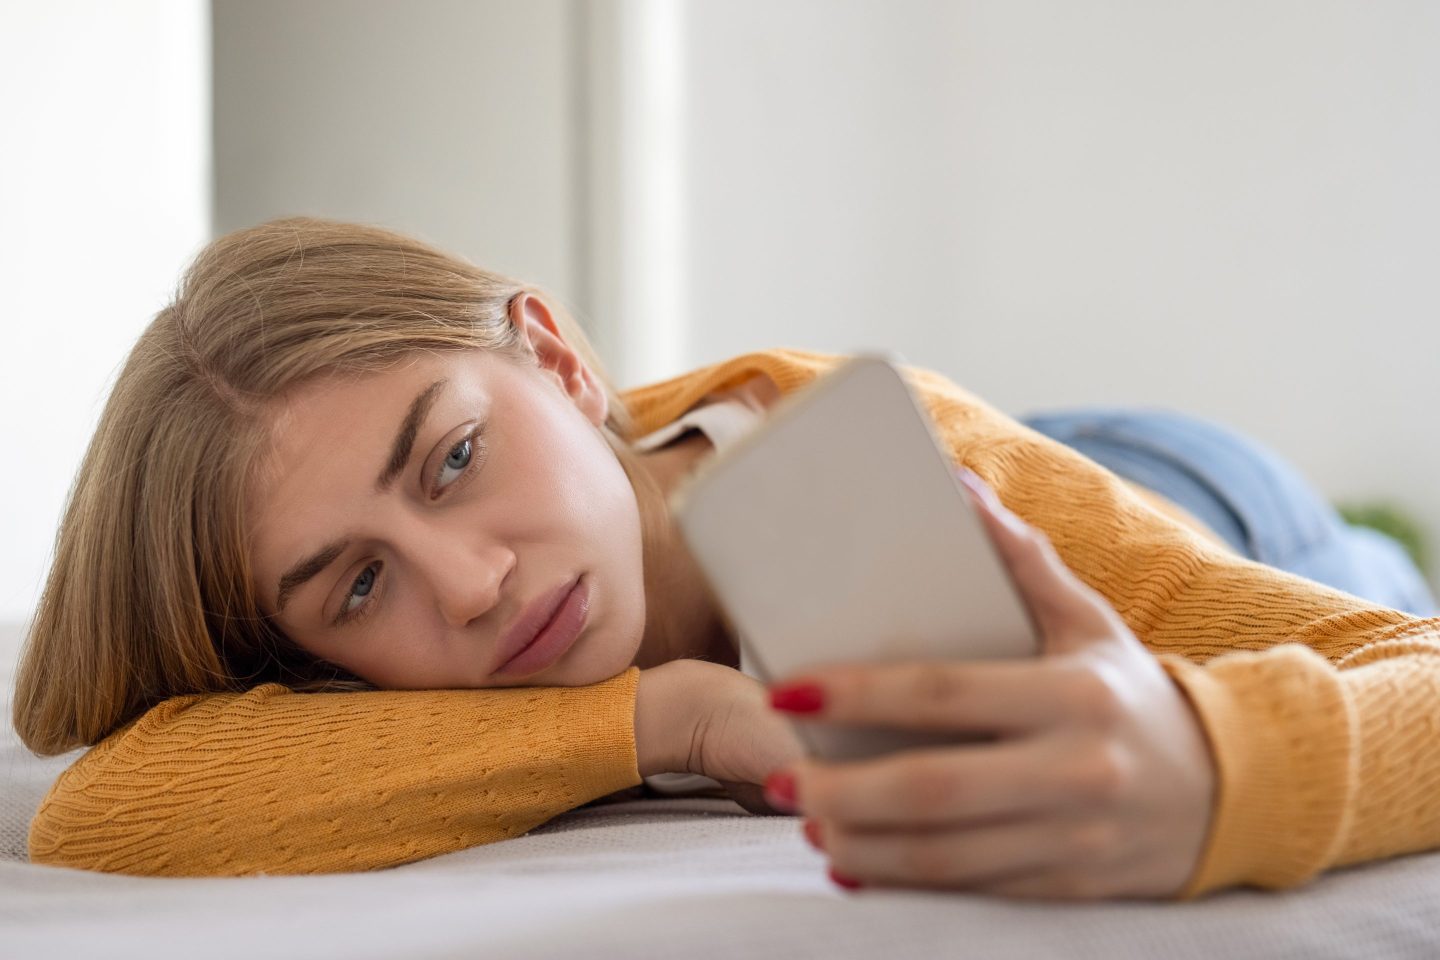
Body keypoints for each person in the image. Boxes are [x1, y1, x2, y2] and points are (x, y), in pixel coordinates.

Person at [13, 218, 1439, 901]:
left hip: (1180, 484)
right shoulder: (391, 679)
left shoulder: (910, 466)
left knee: (1369, 571)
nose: (471, 584)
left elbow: (1415, 683)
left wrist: (1219, 768)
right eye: (358, 584)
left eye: (453, 457)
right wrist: (668, 716)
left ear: (562, 363)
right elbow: (101, 812)